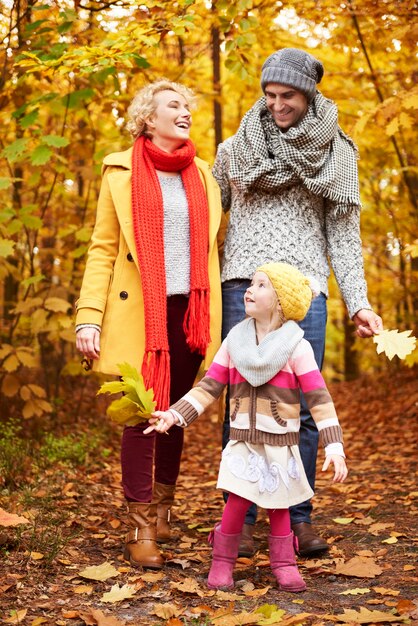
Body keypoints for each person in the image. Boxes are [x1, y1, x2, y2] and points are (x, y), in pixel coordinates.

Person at [212, 48, 383, 557]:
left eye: (287, 95)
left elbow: (345, 235)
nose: (277, 104)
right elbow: (205, 216)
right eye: (269, 95)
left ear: (309, 94)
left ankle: (297, 518)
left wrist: (360, 302)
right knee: (238, 402)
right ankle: (237, 519)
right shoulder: (235, 149)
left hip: (305, 291)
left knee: (301, 407)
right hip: (242, 285)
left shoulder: (338, 153)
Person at [75, 79, 224, 570]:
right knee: (140, 413)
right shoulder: (119, 171)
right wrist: (89, 317)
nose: (185, 112)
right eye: (174, 106)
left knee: (175, 413)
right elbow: (101, 249)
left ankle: (163, 508)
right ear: (148, 118)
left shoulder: (204, 175)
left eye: (188, 106)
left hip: (190, 314)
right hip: (139, 311)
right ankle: (140, 525)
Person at [146, 262, 348, 592]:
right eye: (251, 283)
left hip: (281, 442)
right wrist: (174, 414)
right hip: (242, 442)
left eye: (261, 285)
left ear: (281, 300)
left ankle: (283, 562)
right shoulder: (234, 342)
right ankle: (223, 562)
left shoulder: (297, 347)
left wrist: (334, 445)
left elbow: (319, 398)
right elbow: (209, 387)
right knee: (236, 502)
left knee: (280, 505)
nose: (249, 290)